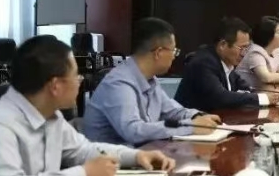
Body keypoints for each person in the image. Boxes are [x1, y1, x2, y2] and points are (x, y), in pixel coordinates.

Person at [0, 36, 175, 176]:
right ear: (55, 86)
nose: (80, 80)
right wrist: (83, 175)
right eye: (75, 75)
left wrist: (137, 156)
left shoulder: (51, 117)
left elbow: (84, 151)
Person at [83, 18, 220, 146]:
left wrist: (198, 116)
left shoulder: (150, 80)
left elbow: (171, 111)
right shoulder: (118, 83)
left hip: (142, 154)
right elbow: (133, 131)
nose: (174, 57)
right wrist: (190, 127)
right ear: (158, 53)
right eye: (174, 51)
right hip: (111, 160)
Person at [174, 17, 278, 111]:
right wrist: (262, 98)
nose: (244, 54)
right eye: (241, 48)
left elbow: (246, 88)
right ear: (222, 45)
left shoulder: (227, 63)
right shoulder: (204, 63)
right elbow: (220, 97)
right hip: (190, 123)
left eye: (247, 48)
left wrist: (267, 95)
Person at [236, 16, 279, 88]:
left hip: (261, 91)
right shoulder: (255, 52)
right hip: (243, 92)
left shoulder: (275, 51)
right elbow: (266, 77)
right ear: (267, 35)